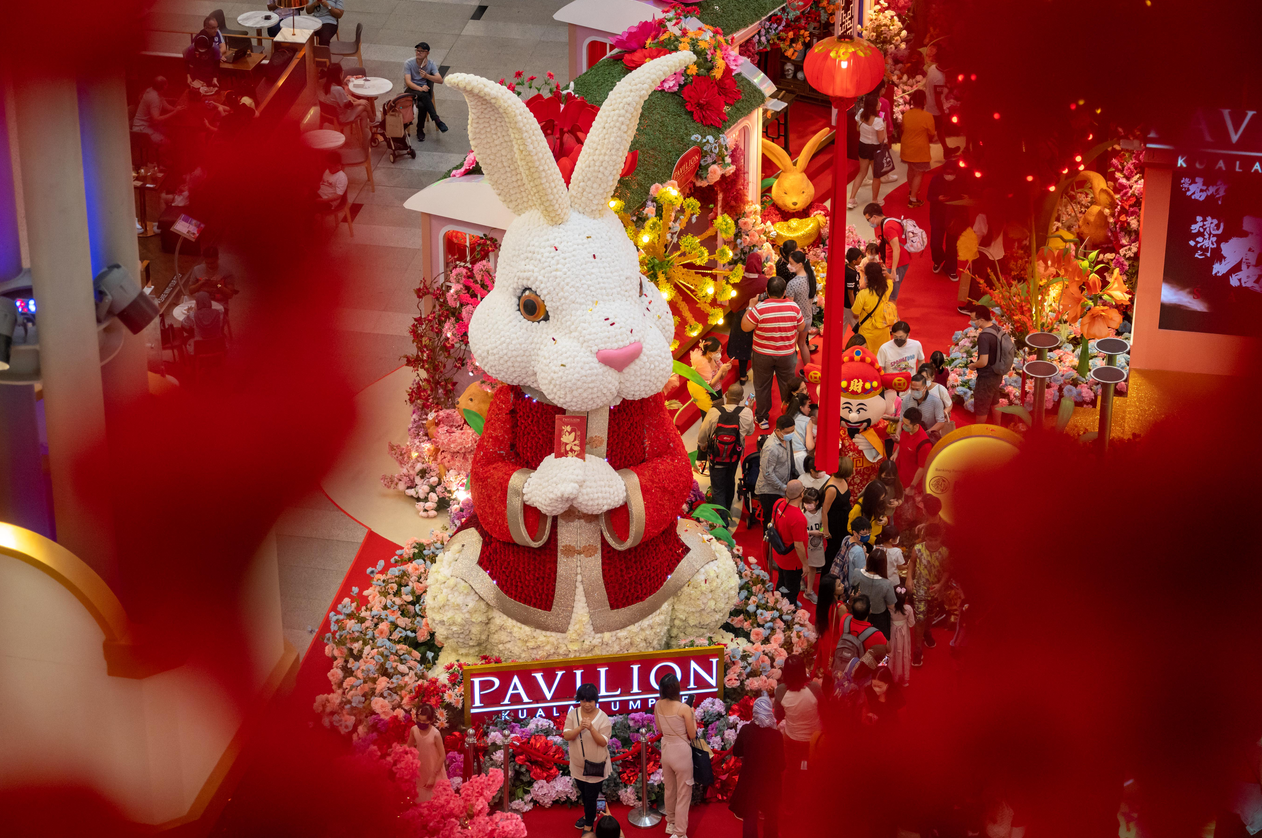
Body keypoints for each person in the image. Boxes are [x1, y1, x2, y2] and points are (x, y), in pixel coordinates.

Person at [742, 276, 808, 429]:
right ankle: (789, 416)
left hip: (762, 355)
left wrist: (750, 306)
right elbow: (801, 327)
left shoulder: (759, 308)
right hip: (786, 354)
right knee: (787, 385)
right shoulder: (793, 307)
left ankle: (762, 417)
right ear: (784, 292)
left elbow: (745, 327)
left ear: (766, 291)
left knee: (762, 386)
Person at [730, 697, 784, 838]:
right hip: (771, 783)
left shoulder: (746, 730)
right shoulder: (776, 735)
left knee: (750, 816)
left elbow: (736, 751)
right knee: (771, 816)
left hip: (750, 781)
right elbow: (782, 764)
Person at [696, 383, 754, 513]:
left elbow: (702, 434)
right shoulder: (746, 413)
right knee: (730, 479)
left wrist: (702, 444)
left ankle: (722, 520)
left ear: (726, 395)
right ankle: (727, 509)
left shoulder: (713, 412)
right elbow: (750, 432)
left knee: (717, 487)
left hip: (716, 456)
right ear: (741, 397)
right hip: (734, 455)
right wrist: (749, 410)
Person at [563, 683, 612, 832]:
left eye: (590, 701)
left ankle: (589, 824)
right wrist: (580, 728)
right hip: (578, 765)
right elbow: (566, 735)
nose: (587, 704)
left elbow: (603, 742)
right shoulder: (573, 714)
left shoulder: (602, 717)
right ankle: (593, 814)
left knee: (591, 796)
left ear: (596, 700)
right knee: (585, 795)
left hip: (596, 765)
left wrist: (591, 728)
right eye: (583, 700)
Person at [653, 674, 696, 838]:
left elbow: (659, 728)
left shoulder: (658, 705)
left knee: (670, 790)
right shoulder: (684, 708)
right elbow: (692, 734)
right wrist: (692, 716)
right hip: (682, 753)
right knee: (684, 794)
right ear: (677, 689)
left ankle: (670, 823)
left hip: (667, 750)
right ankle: (679, 833)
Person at [907, 522, 950, 666]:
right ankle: (918, 650)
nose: (932, 543)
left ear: (940, 538)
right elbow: (912, 563)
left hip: (935, 591)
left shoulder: (944, 552)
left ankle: (927, 632)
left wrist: (940, 585)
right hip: (919, 588)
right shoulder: (917, 549)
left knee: (931, 615)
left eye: (935, 540)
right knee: (920, 618)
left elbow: (946, 571)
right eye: (929, 540)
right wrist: (909, 578)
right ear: (925, 538)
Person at [772, 655, 821, 774]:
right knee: (814, 770)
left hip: (792, 738)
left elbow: (778, 715)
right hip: (814, 739)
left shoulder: (781, 690)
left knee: (791, 770)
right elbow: (824, 710)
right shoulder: (815, 688)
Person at [769, 479, 809, 605]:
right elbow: (798, 545)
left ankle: (777, 604)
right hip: (792, 561)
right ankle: (787, 614)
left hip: (779, 553)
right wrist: (805, 564)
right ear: (801, 494)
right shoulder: (799, 518)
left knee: (781, 582)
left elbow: (773, 522)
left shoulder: (778, 503)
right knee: (792, 589)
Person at [755, 414, 796, 531]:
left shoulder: (785, 439)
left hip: (781, 487)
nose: (791, 434)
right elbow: (767, 473)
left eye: (793, 430)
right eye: (788, 431)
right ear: (778, 430)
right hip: (770, 491)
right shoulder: (771, 447)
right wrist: (783, 487)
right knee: (770, 524)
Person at [864, 203, 911, 302]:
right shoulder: (889, 221)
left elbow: (896, 248)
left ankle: (893, 317)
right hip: (893, 262)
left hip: (897, 264)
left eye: (868, 220)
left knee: (891, 296)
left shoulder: (888, 227)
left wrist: (893, 270)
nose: (869, 223)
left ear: (875, 216)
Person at [848, 93, 887, 209]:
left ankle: (851, 199)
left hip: (862, 146)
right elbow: (880, 139)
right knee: (876, 176)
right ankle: (874, 200)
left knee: (861, 172)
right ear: (874, 106)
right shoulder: (878, 121)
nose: (880, 104)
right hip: (874, 149)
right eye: (878, 103)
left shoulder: (860, 114)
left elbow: (857, 128)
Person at [404, 42, 449, 140]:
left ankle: (420, 129)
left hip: (424, 91)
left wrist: (426, 76)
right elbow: (408, 82)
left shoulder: (431, 64)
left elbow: (440, 80)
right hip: (411, 89)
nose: (418, 53)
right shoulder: (409, 63)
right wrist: (420, 88)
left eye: (421, 51)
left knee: (422, 105)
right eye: (417, 50)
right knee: (424, 95)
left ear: (427, 53)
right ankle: (436, 120)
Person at [968, 304, 1004, 424]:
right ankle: (998, 426)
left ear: (981, 320)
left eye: (973, 319)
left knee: (982, 406)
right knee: (995, 400)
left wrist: (973, 365)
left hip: (987, 377)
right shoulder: (997, 328)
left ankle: (979, 435)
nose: (971, 322)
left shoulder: (984, 336)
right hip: (997, 374)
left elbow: (983, 361)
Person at [900, 89, 937, 207]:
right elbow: (932, 133)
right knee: (919, 173)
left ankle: (911, 190)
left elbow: (903, 129)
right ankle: (913, 199)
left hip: (906, 148)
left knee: (911, 169)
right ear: (924, 101)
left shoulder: (906, 115)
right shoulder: (928, 116)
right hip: (920, 150)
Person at [928, 167, 966, 281]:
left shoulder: (961, 181)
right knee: (935, 243)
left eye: (952, 173)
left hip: (954, 218)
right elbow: (929, 196)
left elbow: (966, 194)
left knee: (952, 245)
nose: (949, 175)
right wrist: (938, 198)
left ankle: (951, 269)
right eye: (947, 173)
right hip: (937, 216)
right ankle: (938, 260)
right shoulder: (936, 180)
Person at [851, 547, 896, 638]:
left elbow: (854, 587)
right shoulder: (886, 583)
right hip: (878, 617)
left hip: (859, 613)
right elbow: (891, 605)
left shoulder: (857, 573)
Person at [408, 704, 447, 802]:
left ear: (431, 720)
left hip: (434, 770)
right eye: (419, 720)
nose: (421, 723)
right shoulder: (414, 730)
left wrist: (433, 776)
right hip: (421, 770)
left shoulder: (435, 734)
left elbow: (442, 756)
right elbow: (408, 748)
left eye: (425, 721)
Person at [852, 262, 895, 351]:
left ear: (867, 277)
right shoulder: (886, 289)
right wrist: (886, 273)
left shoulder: (862, 294)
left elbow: (855, 314)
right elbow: (890, 278)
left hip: (867, 332)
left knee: (868, 357)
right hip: (883, 330)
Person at [131, 76, 181, 152]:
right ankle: (156, 158)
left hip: (149, 125)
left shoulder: (152, 90)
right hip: (142, 130)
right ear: (164, 86)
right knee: (168, 143)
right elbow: (156, 118)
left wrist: (177, 109)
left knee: (172, 132)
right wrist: (175, 112)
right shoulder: (155, 99)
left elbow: (165, 106)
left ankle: (158, 153)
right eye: (166, 84)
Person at [321, 64, 373, 136]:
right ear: (339, 74)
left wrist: (358, 102)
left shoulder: (326, 85)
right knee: (365, 104)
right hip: (341, 116)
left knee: (364, 113)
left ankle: (366, 134)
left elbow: (345, 98)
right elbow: (348, 105)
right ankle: (372, 121)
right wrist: (360, 102)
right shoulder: (338, 89)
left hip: (330, 114)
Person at [821, 455, 854, 569]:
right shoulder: (831, 488)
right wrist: (825, 530)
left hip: (845, 519)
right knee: (833, 550)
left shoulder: (843, 480)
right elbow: (824, 511)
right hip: (835, 523)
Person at [923, 44, 954, 159]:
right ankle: (942, 151)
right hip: (935, 110)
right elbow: (937, 99)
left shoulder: (932, 68)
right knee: (935, 131)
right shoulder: (939, 78)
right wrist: (943, 113)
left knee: (939, 131)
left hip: (929, 107)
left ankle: (946, 150)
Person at [830, 515, 870, 602]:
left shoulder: (846, 538)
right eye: (863, 534)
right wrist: (866, 556)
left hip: (841, 578)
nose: (867, 535)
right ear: (855, 533)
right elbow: (861, 572)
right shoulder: (858, 551)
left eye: (868, 533)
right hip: (851, 583)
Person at [688, 336, 732, 413]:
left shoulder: (714, 359)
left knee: (719, 414)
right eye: (717, 352)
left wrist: (726, 369)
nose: (719, 354)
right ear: (708, 352)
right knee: (709, 417)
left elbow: (721, 377)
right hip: (708, 395)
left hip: (718, 391)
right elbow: (709, 386)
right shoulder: (701, 364)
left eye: (720, 351)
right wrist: (721, 370)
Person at [895, 408, 932, 493]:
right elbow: (902, 442)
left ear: (916, 425)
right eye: (903, 423)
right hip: (900, 474)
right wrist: (896, 453)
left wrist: (912, 486)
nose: (903, 426)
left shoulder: (924, 445)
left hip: (910, 482)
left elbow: (922, 468)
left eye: (907, 425)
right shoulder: (906, 428)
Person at [905, 372, 949, 438]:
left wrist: (925, 434)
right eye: (912, 389)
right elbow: (902, 419)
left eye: (917, 389)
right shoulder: (907, 399)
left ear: (925, 388)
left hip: (928, 437)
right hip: (910, 436)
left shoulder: (936, 401)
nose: (914, 391)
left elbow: (940, 422)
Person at [801, 486, 825, 604]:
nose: (807, 505)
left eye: (810, 503)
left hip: (817, 547)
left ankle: (809, 590)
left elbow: (823, 524)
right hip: (805, 546)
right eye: (805, 503)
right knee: (804, 565)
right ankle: (802, 582)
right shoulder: (802, 514)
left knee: (813, 567)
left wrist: (821, 531)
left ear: (817, 502)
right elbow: (799, 532)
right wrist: (811, 532)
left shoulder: (821, 512)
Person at [888, 586, 915, 686]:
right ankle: (905, 678)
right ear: (906, 598)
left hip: (892, 634)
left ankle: (892, 676)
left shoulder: (890, 609)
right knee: (904, 653)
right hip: (903, 635)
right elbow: (911, 623)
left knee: (892, 654)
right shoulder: (908, 609)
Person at [785, 250, 816, 325]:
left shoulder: (792, 283)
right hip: (808, 318)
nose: (788, 265)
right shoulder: (811, 277)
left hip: (796, 320)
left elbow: (789, 307)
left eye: (791, 263)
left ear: (799, 264)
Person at [843, 246, 863, 328]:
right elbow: (850, 292)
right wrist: (854, 309)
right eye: (860, 258)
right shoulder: (851, 274)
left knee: (842, 326)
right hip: (850, 306)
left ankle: (838, 340)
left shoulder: (848, 268)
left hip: (846, 305)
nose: (861, 259)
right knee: (858, 328)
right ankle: (861, 340)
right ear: (854, 261)